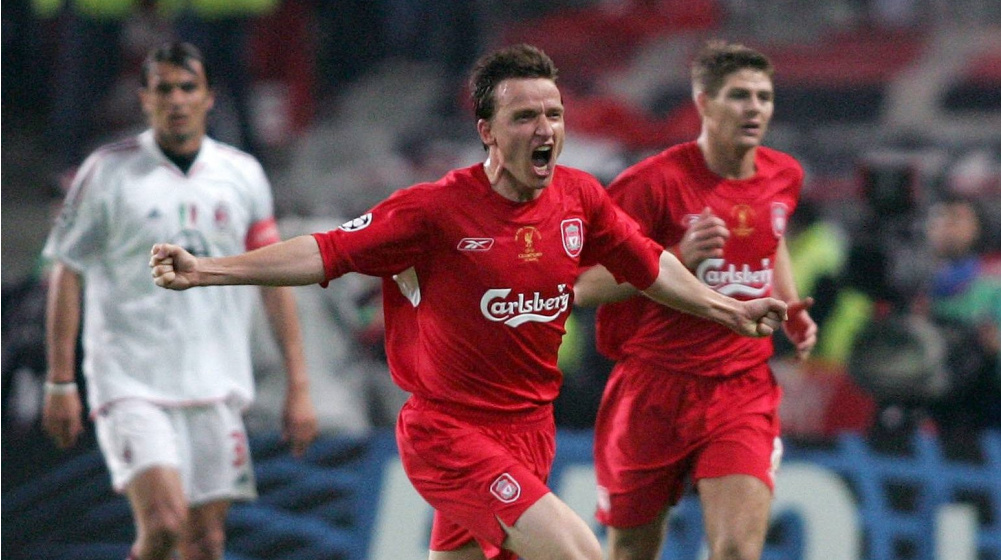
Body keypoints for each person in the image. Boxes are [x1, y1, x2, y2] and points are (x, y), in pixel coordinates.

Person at [149, 44, 788, 560]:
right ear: (487, 131)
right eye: (525, 117)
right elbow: (324, 251)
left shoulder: (580, 199)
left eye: (554, 114)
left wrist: (727, 309)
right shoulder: (433, 211)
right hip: (449, 433)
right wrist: (207, 270)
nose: (546, 129)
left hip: (531, 429)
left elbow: (648, 265)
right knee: (579, 553)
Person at [42, 42, 318, 560]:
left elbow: (273, 280)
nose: (176, 99)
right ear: (144, 98)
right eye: (163, 88)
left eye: (188, 87)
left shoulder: (242, 173)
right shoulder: (105, 171)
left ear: (209, 97)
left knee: (206, 541)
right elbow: (67, 271)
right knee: (165, 526)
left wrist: (299, 386)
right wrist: (60, 381)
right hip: (130, 380)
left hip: (217, 381)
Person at [574, 40, 817, 560]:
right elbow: (582, 285)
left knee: (736, 550)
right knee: (632, 550)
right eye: (739, 96)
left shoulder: (784, 175)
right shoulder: (650, 185)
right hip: (652, 388)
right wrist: (676, 255)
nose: (755, 108)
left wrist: (791, 305)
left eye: (764, 97)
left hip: (740, 387)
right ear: (704, 103)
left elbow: (771, 241)